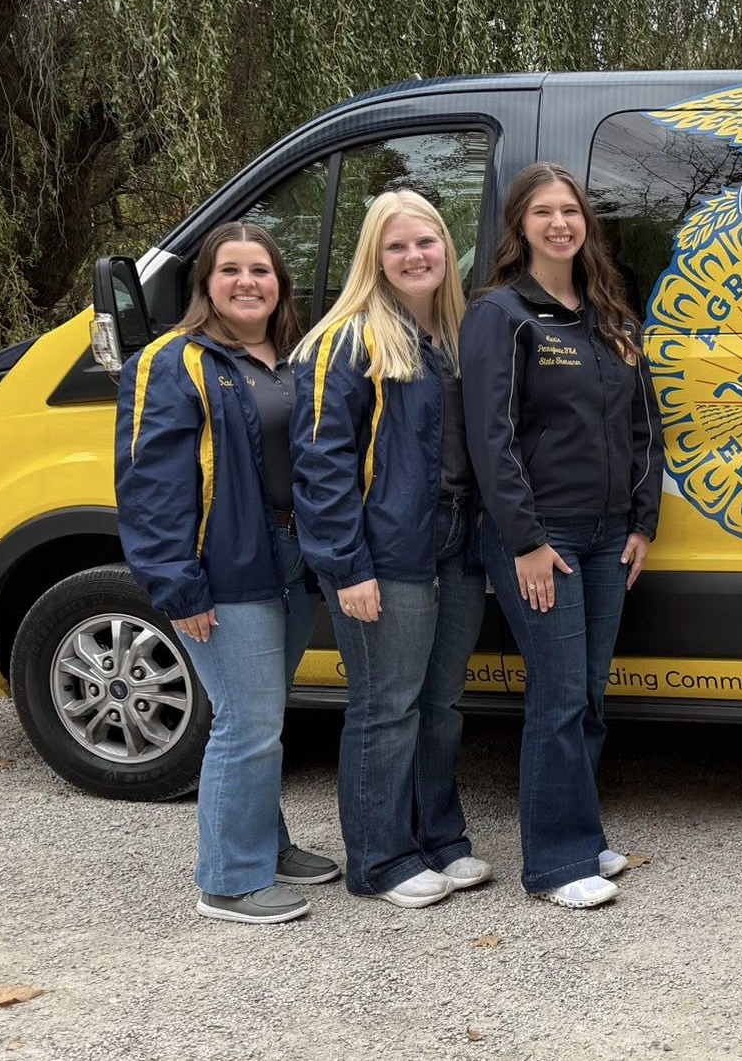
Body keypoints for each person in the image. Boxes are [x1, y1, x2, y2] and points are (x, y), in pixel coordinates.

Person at [115, 223, 338, 924]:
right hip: (225, 567)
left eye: (261, 270)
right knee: (246, 720)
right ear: (206, 283)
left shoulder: (294, 357)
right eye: (231, 270)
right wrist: (177, 582)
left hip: (291, 559)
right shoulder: (172, 361)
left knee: (264, 714)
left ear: (280, 283)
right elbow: (150, 485)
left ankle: (265, 845)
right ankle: (229, 881)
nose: (248, 282)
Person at [460, 162, 659, 909]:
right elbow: (491, 439)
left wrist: (643, 521)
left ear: (585, 222)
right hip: (543, 538)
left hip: (609, 536)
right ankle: (553, 863)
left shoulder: (610, 314)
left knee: (589, 695)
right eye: (543, 211)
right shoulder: (501, 313)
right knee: (559, 694)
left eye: (569, 210)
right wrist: (525, 541)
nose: (559, 223)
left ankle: (581, 834)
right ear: (521, 224)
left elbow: (645, 428)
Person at [292, 189, 487, 911]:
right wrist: (347, 567)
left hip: (456, 544)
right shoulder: (346, 340)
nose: (414, 256)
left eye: (425, 242)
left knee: (441, 703)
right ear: (374, 257)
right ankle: (379, 858)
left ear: (446, 248)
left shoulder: (459, 335)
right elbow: (322, 466)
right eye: (396, 246)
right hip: (384, 552)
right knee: (386, 706)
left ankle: (438, 838)